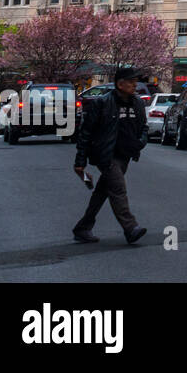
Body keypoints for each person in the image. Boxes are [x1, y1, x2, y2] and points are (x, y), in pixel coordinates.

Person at [72, 68, 148, 245]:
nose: (135, 85)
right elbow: (85, 133)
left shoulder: (137, 103)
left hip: (125, 155)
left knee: (102, 192)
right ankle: (130, 228)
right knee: (118, 189)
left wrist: (140, 142)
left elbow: (143, 127)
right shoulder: (102, 103)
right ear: (120, 84)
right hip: (105, 155)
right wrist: (80, 162)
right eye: (131, 81)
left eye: (135, 81)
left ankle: (83, 228)